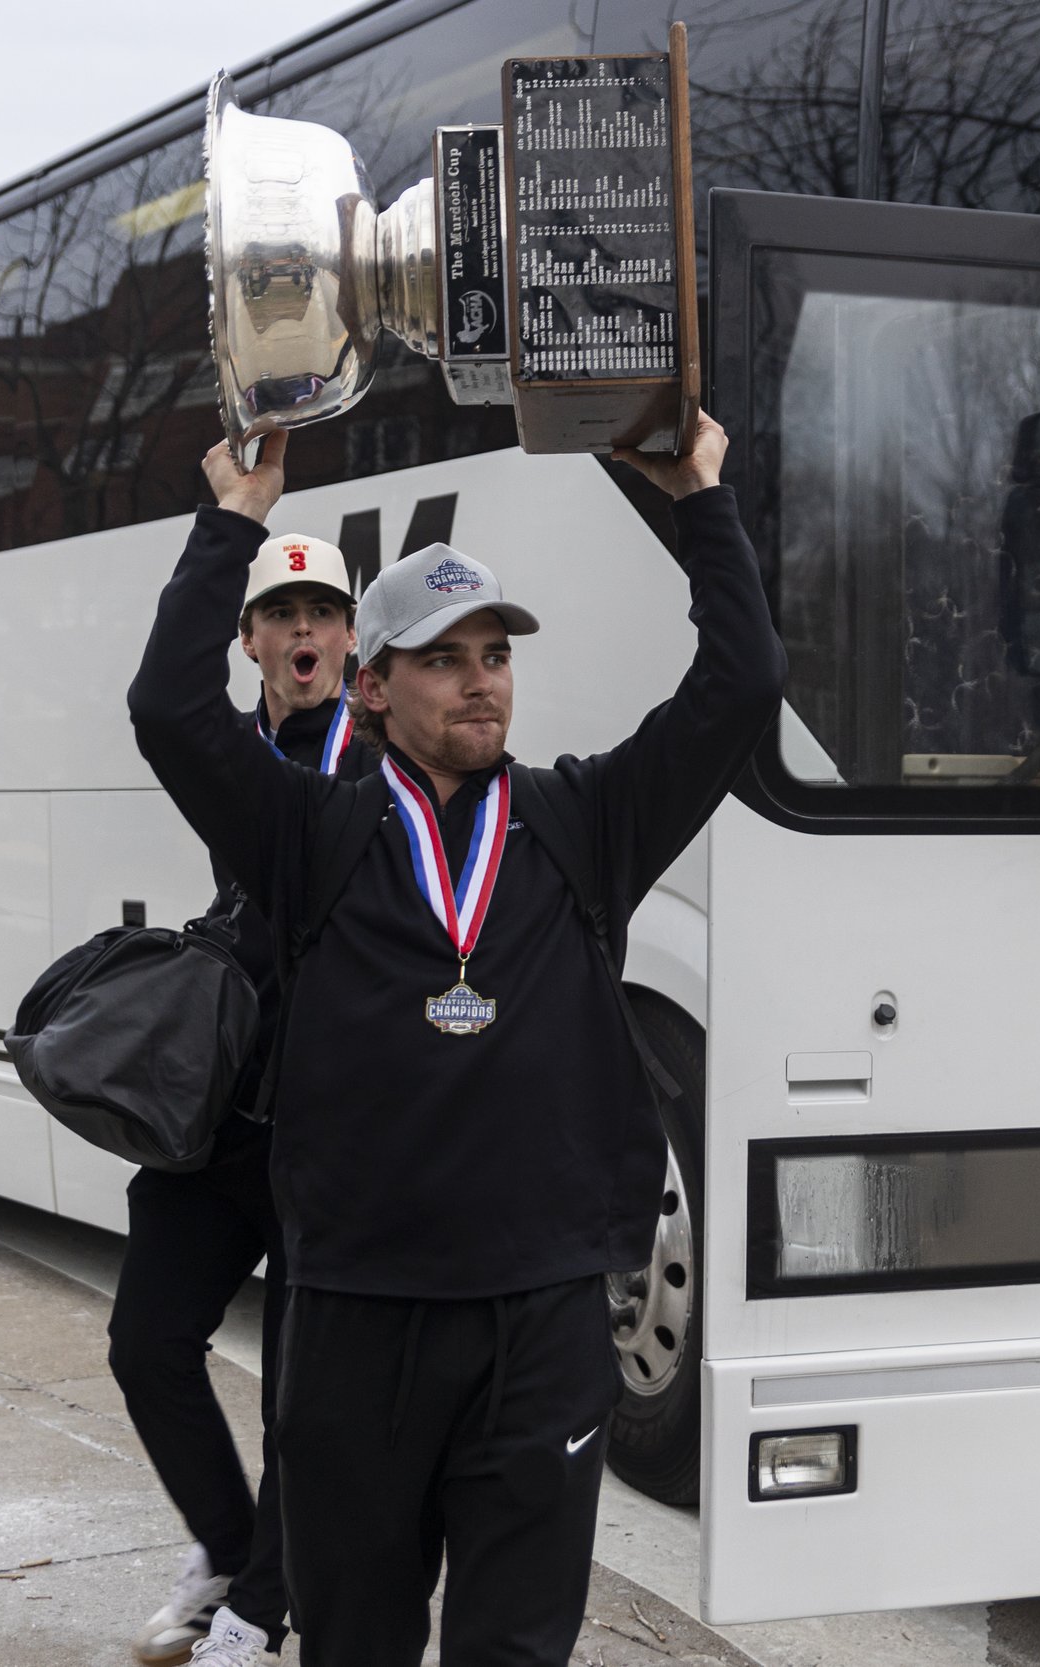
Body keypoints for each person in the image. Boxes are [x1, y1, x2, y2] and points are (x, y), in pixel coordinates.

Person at [129, 416, 783, 1667]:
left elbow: (739, 686)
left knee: (517, 1651)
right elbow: (167, 707)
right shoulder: (308, 834)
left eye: (493, 653)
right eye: (440, 658)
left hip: (541, 1325)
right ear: (372, 686)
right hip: (358, 1323)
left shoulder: (583, 820)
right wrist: (235, 519)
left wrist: (700, 496)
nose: (480, 678)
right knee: (358, 1644)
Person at [111, 529, 372, 1667]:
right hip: (220, 1116)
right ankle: (227, 1551)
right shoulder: (230, 752)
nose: (302, 632)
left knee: (298, 1396)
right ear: (249, 639)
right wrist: (228, 524)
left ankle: (261, 1608)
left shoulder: (378, 760)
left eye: (321, 614)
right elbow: (161, 701)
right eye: (280, 614)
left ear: (353, 639)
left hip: (330, 1129)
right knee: (145, 1338)